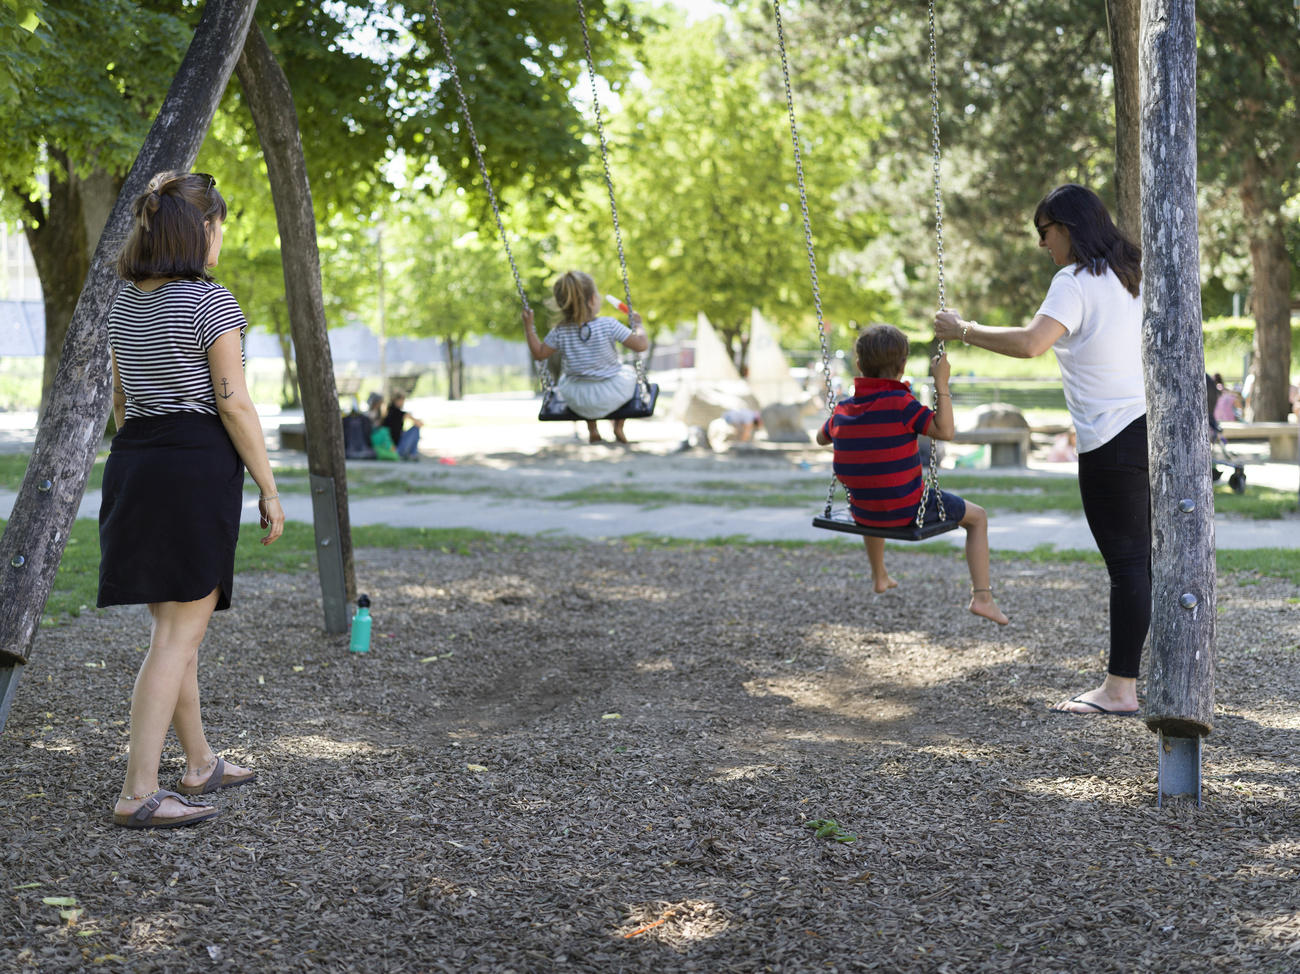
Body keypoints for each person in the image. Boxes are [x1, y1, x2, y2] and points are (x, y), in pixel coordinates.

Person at [100, 170, 285, 828]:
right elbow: (232, 401)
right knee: (178, 636)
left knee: (174, 631)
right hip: (191, 465)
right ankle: (138, 793)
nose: (223, 235)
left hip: (137, 461)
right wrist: (268, 483)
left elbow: (123, 402)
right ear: (199, 229)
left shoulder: (127, 301)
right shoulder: (211, 303)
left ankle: (200, 762)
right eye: (220, 222)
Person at [934, 183, 1148, 717]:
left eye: (1044, 232)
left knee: (1127, 566)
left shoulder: (1075, 279)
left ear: (1068, 229)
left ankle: (1121, 689)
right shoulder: (1130, 273)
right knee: (1143, 563)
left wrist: (963, 330)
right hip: (1147, 429)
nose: (1041, 244)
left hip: (1110, 438)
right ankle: (1139, 676)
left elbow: (1031, 343)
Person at [816, 324, 1008, 625]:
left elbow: (821, 438)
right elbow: (945, 431)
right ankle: (982, 597)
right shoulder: (904, 405)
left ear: (858, 365)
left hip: (865, 511)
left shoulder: (843, 410)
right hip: (907, 511)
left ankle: (880, 575)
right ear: (903, 365)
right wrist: (941, 382)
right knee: (978, 517)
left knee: (873, 490)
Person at [522, 270, 650, 444]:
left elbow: (539, 354)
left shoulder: (560, 331)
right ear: (592, 301)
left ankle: (592, 428)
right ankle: (618, 426)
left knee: (573, 379)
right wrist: (638, 325)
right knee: (627, 372)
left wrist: (529, 328)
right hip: (612, 393)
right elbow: (641, 345)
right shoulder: (609, 324)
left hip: (578, 399)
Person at [383, 390, 423, 460]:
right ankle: (413, 454)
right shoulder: (399, 413)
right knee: (415, 429)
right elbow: (420, 424)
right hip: (397, 448)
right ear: (397, 401)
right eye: (402, 400)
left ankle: (412, 454)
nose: (403, 402)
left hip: (392, 446)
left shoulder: (388, 412)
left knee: (408, 431)